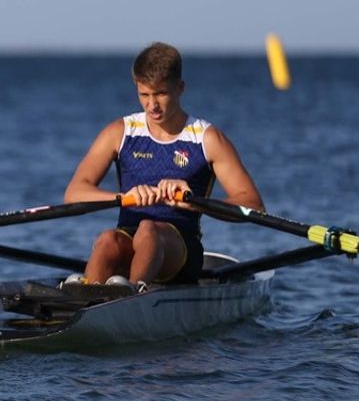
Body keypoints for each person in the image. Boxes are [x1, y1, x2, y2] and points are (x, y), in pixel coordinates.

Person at [63, 42, 264, 292]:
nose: (152, 106)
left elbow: (253, 204)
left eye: (160, 94)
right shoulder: (119, 132)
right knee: (107, 239)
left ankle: (133, 295)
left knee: (149, 230)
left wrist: (194, 201)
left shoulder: (207, 139)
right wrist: (124, 198)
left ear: (180, 88)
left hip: (181, 250)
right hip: (129, 238)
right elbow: (74, 192)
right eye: (144, 95)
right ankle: (85, 298)